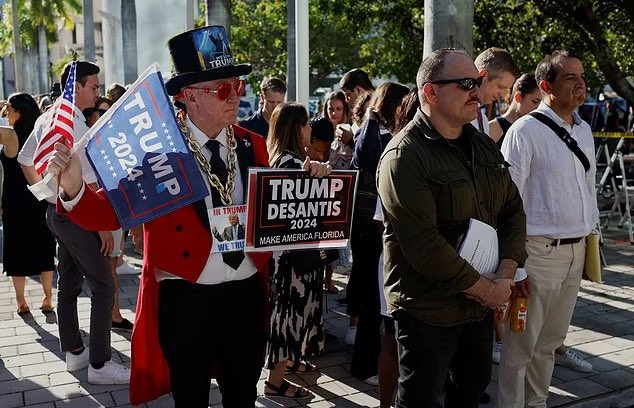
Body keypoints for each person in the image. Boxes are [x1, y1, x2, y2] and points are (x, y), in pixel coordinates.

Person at [47, 26, 271, 407]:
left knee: (243, 395)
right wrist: (73, 188)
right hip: (185, 299)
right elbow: (109, 210)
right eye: (223, 89)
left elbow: (277, 206)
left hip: (246, 294)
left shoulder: (254, 144)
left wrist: (314, 179)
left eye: (238, 86)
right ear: (189, 97)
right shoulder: (158, 151)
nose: (234, 95)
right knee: (190, 397)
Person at [377, 48, 526, 408]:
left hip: (477, 307)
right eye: (465, 84)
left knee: (471, 393)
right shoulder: (403, 157)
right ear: (430, 93)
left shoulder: (481, 146)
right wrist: (487, 291)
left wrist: (505, 273)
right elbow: (425, 246)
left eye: (476, 82)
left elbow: (513, 210)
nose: (477, 91)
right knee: (421, 400)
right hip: (428, 311)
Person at [497, 51, 599, 408]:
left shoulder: (584, 130)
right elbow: (507, 204)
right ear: (546, 86)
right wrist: (516, 266)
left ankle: (536, 403)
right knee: (519, 348)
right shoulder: (525, 131)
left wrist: (591, 245)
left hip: (574, 252)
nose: (580, 83)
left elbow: (589, 192)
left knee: (550, 342)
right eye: (570, 77)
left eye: (582, 75)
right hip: (537, 254)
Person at [18, 60, 130, 385]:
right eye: (93, 86)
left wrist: (45, 193)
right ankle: (99, 364)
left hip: (57, 213)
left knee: (68, 285)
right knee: (104, 286)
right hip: (77, 215)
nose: (98, 91)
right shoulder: (75, 123)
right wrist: (103, 227)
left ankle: (76, 353)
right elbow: (90, 184)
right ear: (76, 86)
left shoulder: (48, 116)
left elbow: (25, 159)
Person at [264, 102, 332, 400]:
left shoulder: (283, 159)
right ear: (296, 128)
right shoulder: (292, 165)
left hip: (288, 257)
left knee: (290, 314)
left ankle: (289, 361)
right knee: (289, 315)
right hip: (294, 261)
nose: (309, 131)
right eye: (306, 125)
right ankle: (276, 382)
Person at [349, 82, 409, 385]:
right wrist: (371, 118)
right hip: (372, 225)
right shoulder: (373, 131)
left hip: (375, 222)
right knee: (374, 299)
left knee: (375, 298)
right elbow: (364, 162)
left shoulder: (381, 130)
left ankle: (369, 362)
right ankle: (364, 365)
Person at [1, 93, 56, 316]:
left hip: (14, 200)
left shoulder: (9, 135)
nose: (6, 113)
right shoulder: (39, 134)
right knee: (44, 245)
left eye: (9, 110)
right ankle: (48, 297)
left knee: (16, 249)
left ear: (19, 112)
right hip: (38, 196)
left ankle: (21, 301)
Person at [471, 47, 520, 134]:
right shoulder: (454, 112)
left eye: (506, 89)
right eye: (500, 86)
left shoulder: (483, 120)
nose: (503, 95)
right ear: (482, 75)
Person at [488, 73, 541, 148]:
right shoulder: (492, 128)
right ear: (518, 97)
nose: (538, 108)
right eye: (535, 101)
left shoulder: (535, 130)